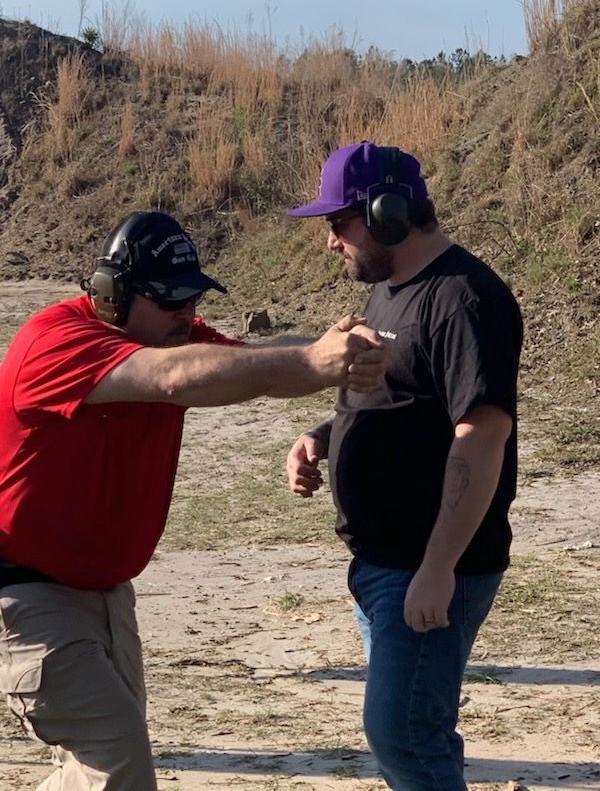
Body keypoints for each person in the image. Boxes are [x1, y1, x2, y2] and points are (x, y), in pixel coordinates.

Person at [0, 210, 386, 791]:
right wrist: (313, 361)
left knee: (98, 768)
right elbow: (174, 377)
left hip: (105, 595)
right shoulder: (56, 343)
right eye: (170, 300)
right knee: (119, 761)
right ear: (111, 295)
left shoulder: (170, 335)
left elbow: (248, 363)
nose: (186, 314)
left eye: (193, 299)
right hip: (29, 596)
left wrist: (329, 349)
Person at [286, 142, 523, 791]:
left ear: (386, 213)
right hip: (384, 563)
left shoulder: (464, 300)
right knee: (413, 736)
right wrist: (321, 437)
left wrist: (439, 569)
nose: (330, 242)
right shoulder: (393, 292)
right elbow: (401, 399)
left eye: (338, 223)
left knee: (405, 738)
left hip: (426, 567)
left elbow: (482, 436)